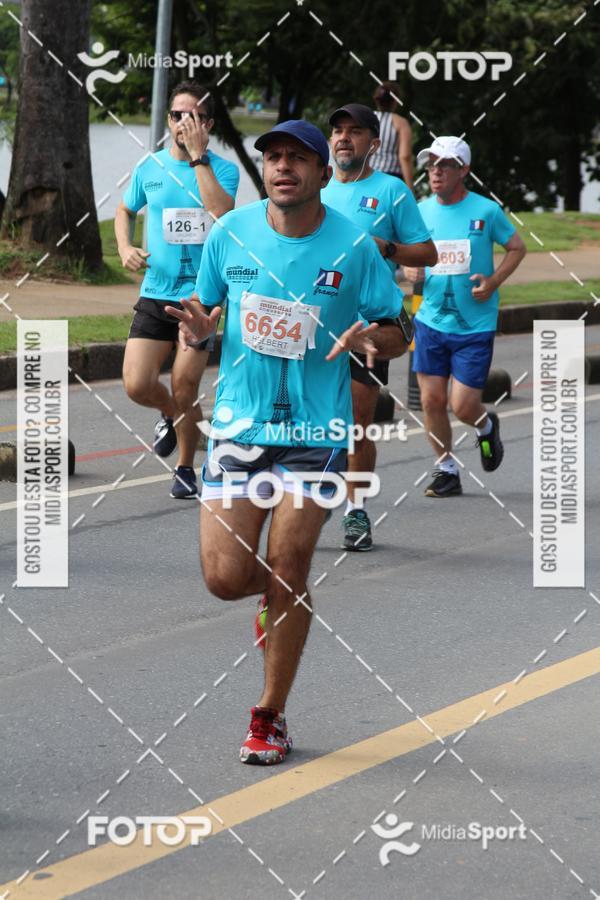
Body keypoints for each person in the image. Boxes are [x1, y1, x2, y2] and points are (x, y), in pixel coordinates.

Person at [166, 120, 408, 765]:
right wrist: (195, 331)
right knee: (226, 579)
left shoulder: (353, 246)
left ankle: (269, 715)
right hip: (240, 430)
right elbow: (205, 310)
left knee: (292, 568)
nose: (282, 167)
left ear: (323, 174)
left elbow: (397, 330)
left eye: (297, 158)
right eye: (273, 157)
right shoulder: (231, 233)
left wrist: (371, 341)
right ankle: (277, 606)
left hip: (314, 433)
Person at [115, 81, 239, 499]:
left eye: (192, 116)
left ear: (208, 123)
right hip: (156, 290)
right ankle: (170, 414)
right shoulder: (149, 168)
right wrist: (124, 245)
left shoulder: (223, 170)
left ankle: (187, 467)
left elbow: (221, 211)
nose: (182, 124)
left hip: (201, 297)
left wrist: (198, 157)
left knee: (186, 383)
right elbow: (124, 209)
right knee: (136, 384)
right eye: (176, 115)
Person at [322, 103, 437, 550]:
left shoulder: (391, 192)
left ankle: (355, 511)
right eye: (337, 131)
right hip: (314, 322)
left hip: (368, 320)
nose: (344, 138)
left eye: (355, 131)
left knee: (356, 420)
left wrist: (386, 247)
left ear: (374, 142)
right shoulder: (315, 189)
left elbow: (426, 254)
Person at [404, 136, 526, 498]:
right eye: (431, 165)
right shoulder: (421, 211)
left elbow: (517, 248)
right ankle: (446, 469)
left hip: (475, 325)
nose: (435, 172)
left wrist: (492, 282)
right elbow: (409, 257)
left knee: (462, 405)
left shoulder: (486, 212)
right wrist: (410, 271)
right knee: (430, 401)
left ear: (464, 170)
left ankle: (486, 426)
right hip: (430, 321)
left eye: (444, 165)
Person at [371, 82, 413, 190]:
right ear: (395, 101)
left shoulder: (367, 119)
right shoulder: (401, 123)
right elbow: (405, 156)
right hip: (392, 178)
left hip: (368, 175)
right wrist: (410, 188)